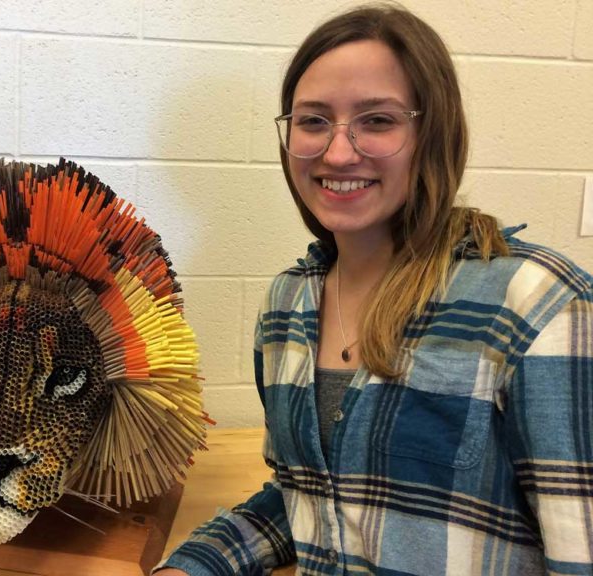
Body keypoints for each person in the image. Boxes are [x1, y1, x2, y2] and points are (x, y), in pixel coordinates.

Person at [156, 3, 593, 575]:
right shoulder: (287, 305)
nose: (338, 152)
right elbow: (310, 499)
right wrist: (194, 565)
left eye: (378, 120)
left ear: (432, 134)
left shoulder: (538, 305)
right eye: (314, 121)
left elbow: (579, 551)